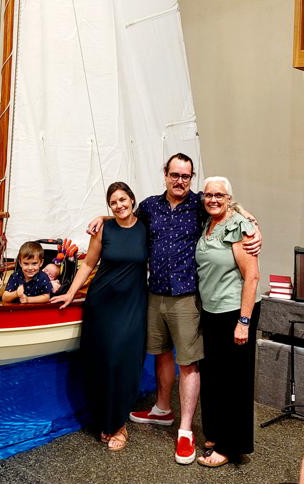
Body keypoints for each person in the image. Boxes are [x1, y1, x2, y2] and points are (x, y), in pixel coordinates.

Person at [87, 153, 261, 464]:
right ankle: (162, 410)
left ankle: (184, 431)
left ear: (191, 178)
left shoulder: (199, 204)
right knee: (161, 352)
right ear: (165, 174)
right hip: (155, 294)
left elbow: (226, 206)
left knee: (189, 362)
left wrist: (250, 222)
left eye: (186, 176)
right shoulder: (151, 206)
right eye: (174, 175)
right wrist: (104, 219)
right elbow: (125, 218)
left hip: (186, 297)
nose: (180, 181)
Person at [52, 182, 147, 451]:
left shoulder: (146, 227)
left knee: (123, 362)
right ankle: (106, 422)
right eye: (113, 203)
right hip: (102, 304)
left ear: (132, 199)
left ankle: (119, 424)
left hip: (133, 306)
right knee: (102, 362)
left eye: (123, 199)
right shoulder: (104, 229)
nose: (119, 205)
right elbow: (89, 264)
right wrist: (71, 292)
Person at [195, 176, 261, 467]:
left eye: (219, 195)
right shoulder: (207, 223)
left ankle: (230, 447)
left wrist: (244, 321)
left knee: (234, 384)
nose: (213, 199)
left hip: (235, 313)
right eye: (208, 194)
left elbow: (252, 277)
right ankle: (215, 434)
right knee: (214, 379)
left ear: (228, 198)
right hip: (211, 313)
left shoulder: (239, 226)